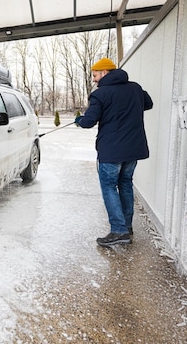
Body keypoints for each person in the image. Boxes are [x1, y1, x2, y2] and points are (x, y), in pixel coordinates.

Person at [75, 57, 153, 247]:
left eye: (95, 75)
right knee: (125, 184)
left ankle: (118, 230)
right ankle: (126, 226)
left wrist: (79, 119)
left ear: (105, 73)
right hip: (134, 149)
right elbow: (148, 103)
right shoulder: (135, 88)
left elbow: (89, 121)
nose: (94, 79)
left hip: (111, 151)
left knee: (109, 186)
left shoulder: (100, 94)